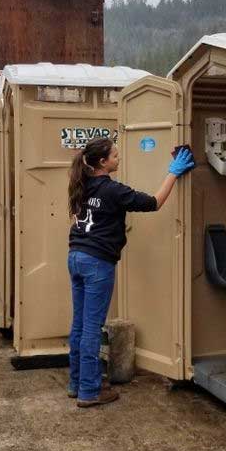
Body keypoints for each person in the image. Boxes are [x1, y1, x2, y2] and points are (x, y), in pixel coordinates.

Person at [66, 137, 195, 407]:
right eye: (115, 155)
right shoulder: (112, 190)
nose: (119, 158)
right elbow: (154, 202)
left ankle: (77, 383)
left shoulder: (81, 184)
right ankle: (89, 391)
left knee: (79, 324)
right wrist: (173, 172)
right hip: (97, 263)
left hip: (76, 257)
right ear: (103, 162)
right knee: (91, 328)